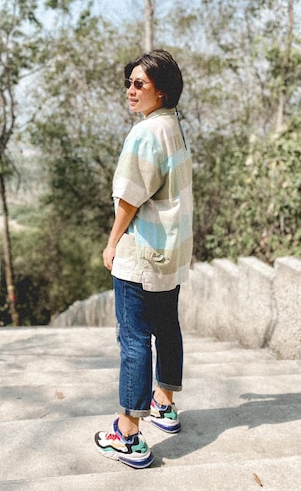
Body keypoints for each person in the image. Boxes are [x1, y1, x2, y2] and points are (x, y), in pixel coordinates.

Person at [94, 49, 193, 469]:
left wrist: (112, 243)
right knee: (166, 327)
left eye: (140, 84)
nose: (130, 90)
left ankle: (128, 434)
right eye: (129, 82)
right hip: (170, 250)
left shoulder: (145, 134)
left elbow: (129, 200)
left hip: (142, 251)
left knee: (133, 339)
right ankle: (164, 405)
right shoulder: (173, 127)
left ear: (162, 91)